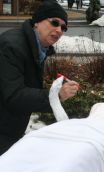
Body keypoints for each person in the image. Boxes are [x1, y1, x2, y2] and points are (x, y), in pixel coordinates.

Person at [0, 1, 79, 155]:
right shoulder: (12, 46)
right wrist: (55, 95)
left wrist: (56, 87)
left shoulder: (37, 48)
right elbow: (14, 96)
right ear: (37, 22)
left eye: (63, 27)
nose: (59, 30)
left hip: (9, 127)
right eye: (54, 22)